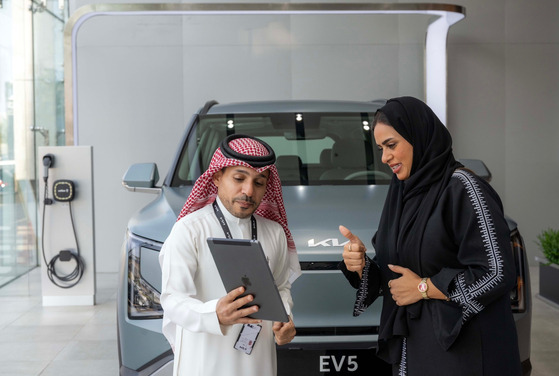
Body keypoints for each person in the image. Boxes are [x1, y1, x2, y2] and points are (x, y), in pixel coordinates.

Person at [339, 96, 521, 375]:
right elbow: (400, 274)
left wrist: (425, 287)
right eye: (380, 148)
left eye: (391, 145)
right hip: (417, 347)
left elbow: (497, 272)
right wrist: (362, 265)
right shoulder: (403, 194)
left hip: (465, 352)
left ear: (419, 137)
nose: (385, 158)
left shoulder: (463, 189)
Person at [159, 134, 301, 376]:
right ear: (216, 177)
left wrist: (285, 317)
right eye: (239, 178)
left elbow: (281, 288)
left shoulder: (274, 232)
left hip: (258, 362)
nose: (248, 190)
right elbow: (172, 299)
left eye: (259, 182)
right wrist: (214, 314)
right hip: (204, 360)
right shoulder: (190, 230)